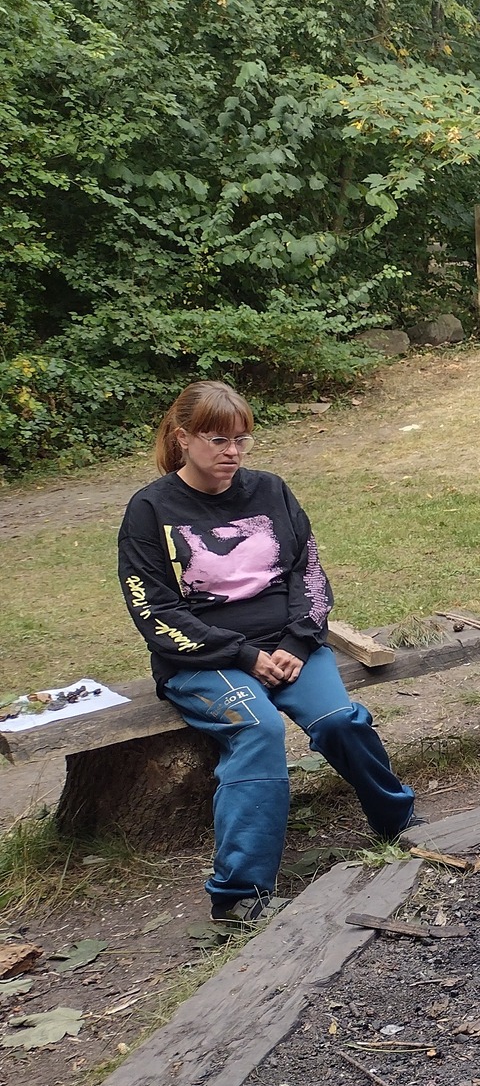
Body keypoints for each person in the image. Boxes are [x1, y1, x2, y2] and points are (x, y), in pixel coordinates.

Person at [117, 381, 414, 921]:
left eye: (242, 439)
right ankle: (240, 897)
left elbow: (310, 573)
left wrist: (298, 640)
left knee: (341, 721)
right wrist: (242, 655)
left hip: (289, 645)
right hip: (203, 658)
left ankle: (397, 820)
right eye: (218, 439)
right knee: (259, 730)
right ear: (183, 439)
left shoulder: (271, 490)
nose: (232, 452)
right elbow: (153, 610)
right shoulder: (150, 509)